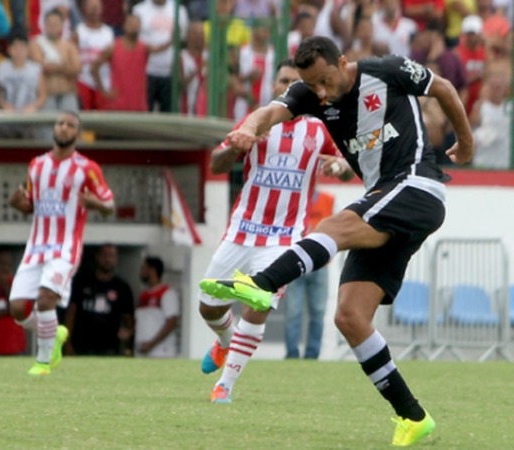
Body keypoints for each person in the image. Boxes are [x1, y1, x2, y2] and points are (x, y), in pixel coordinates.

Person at [200, 36, 474, 446]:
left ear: (344, 62)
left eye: (326, 80)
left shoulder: (388, 70)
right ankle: (413, 417)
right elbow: (272, 110)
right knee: (349, 317)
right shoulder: (310, 95)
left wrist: (466, 145)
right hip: (384, 199)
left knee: (332, 225)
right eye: (313, 87)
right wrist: (248, 128)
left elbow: (445, 89)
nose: (321, 92)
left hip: (417, 187)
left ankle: (262, 284)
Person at [197, 59, 350, 406]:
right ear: (275, 85)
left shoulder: (319, 129)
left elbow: (344, 166)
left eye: (296, 83)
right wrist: (238, 145)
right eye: (283, 80)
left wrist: (339, 165)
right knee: (208, 307)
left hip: (283, 237)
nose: (288, 87)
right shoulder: (258, 120)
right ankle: (224, 342)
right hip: (241, 231)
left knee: (258, 303)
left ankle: (226, 385)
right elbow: (216, 164)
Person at [7, 111, 115, 375]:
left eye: (70, 126)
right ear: (54, 129)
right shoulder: (36, 165)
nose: (64, 128)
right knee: (18, 308)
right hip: (36, 247)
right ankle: (53, 333)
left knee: (45, 300)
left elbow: (109, 205)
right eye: (60, 124)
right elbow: (31, 205)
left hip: (66, 247)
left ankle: (44, 361)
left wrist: (96, 204)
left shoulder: (87, 168)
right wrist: (15, 202)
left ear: (77, 134)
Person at [283, 189, 335, 360]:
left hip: (320, 264)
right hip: (294, 262)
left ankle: (312, 354)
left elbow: (337, 229)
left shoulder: (329, 200)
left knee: (318, 312)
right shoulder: (291, 199)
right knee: (293, 311)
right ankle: (292, 354)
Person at [64, 244, 135, 356]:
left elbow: (129, 319)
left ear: (116, 259)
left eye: (111, 256)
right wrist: (67, 344)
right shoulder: (82, 281)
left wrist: (128, 345)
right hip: (81, 345)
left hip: (109, 348)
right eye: (104, 255)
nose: (108, 259)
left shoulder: (122, 287)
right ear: (97, 257)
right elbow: (71, 313)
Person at [135, 256, 179, 358]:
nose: (140, 272)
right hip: (142, 351)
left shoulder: (167, 293)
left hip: (161, 352)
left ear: (152, 270)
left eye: (143, 268)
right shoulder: (143, 295)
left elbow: (172, 322)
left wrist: (151, 344)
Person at [0, 248, 26, 356]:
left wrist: (5, 287)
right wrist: (9, 310)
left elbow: (21, 311)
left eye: (8, 265)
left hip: (14, 345)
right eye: (1, 264)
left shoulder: (16, 284)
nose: (5, 268)